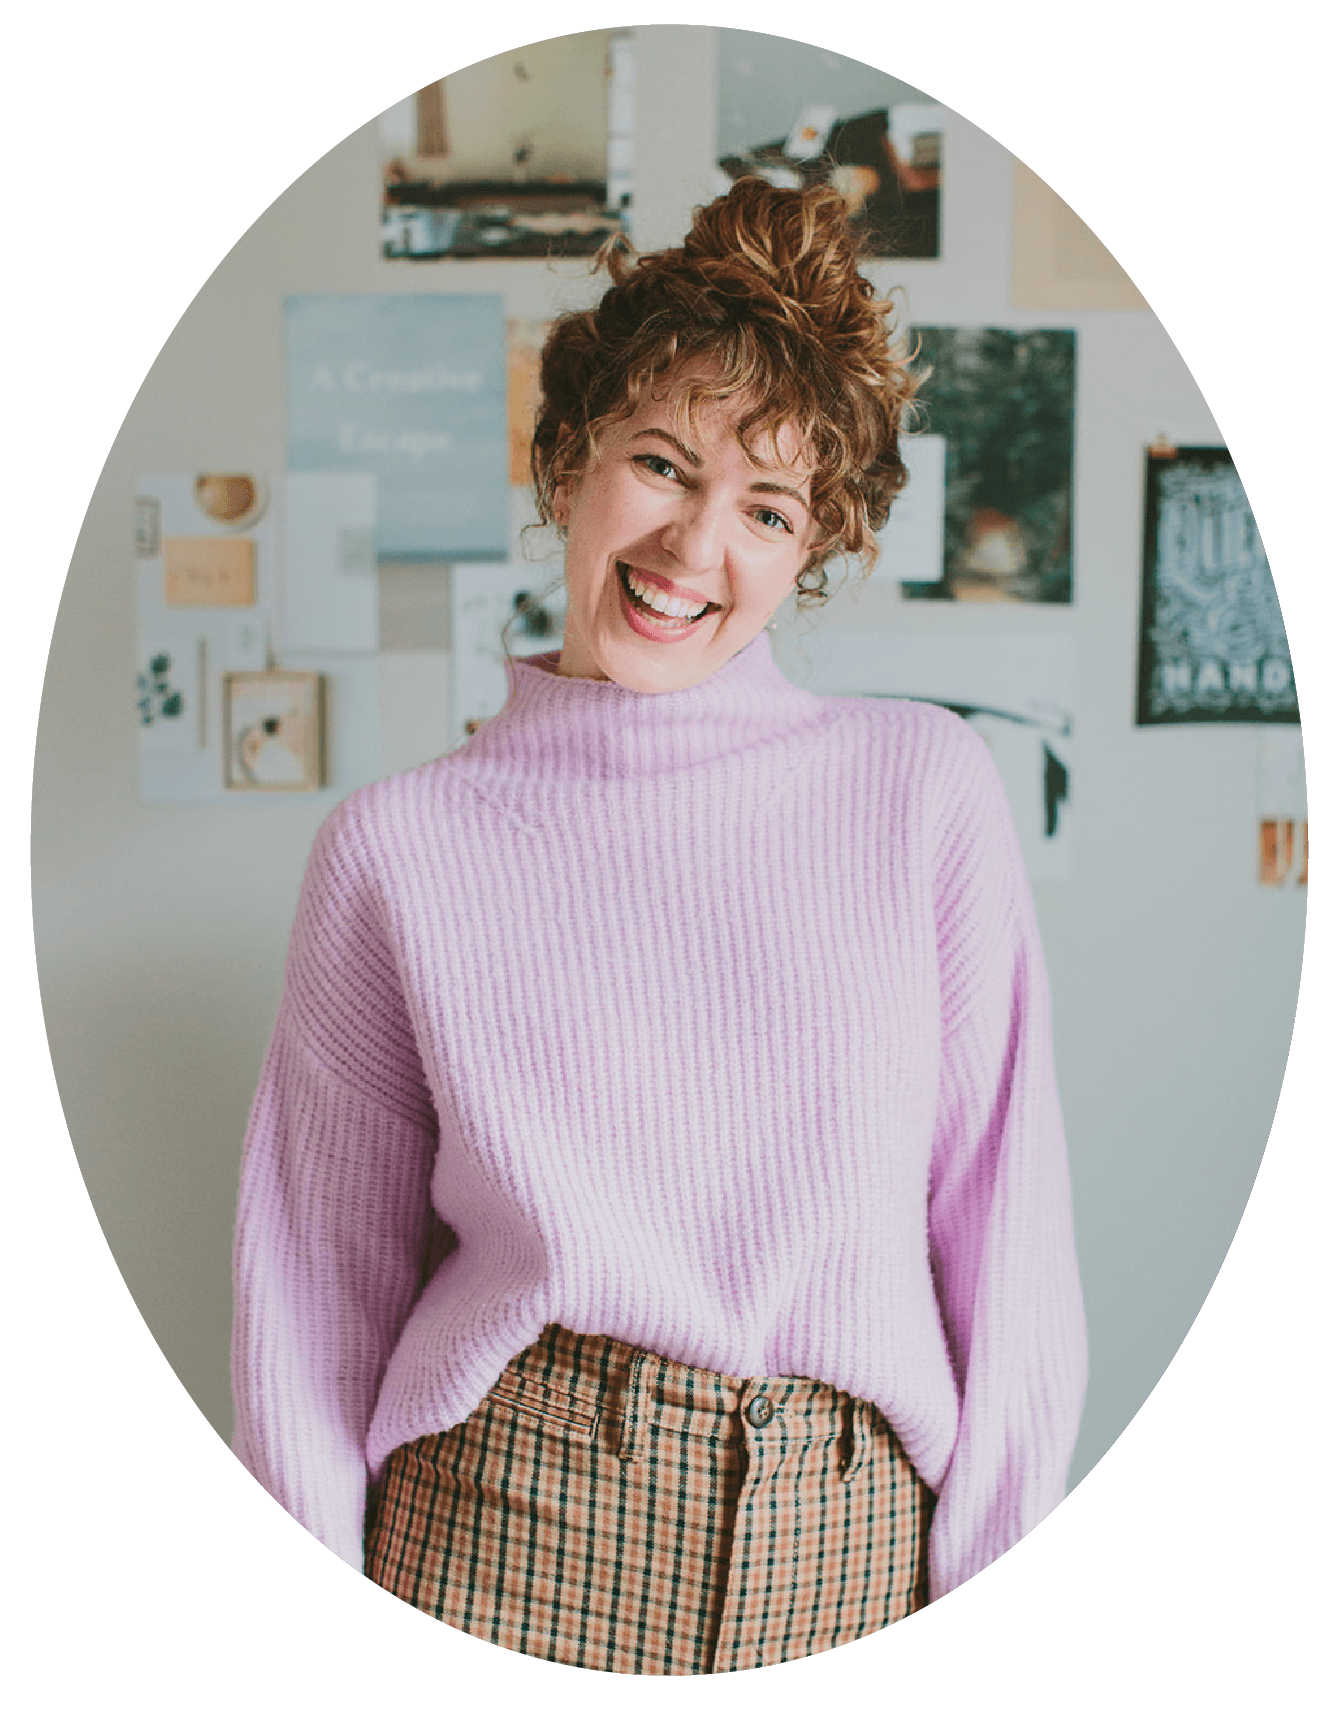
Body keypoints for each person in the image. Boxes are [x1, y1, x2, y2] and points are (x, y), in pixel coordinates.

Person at [230, 176, 1088, 1673]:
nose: (696, 545)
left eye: (767, 508)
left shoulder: (921, 790)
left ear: (811, 547)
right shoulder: (394, 851)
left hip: (850, 1540)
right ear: (568, 457)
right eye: (660, 463)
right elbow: (308, 1298)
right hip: (507, 1523)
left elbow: (1003, 1234)